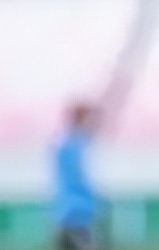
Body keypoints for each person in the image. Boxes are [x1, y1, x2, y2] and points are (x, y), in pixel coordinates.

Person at [51, 102, 103, 250]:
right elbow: (77, 177)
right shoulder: (73, 146)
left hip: (70, 214)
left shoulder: (68, 143)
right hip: (75, 214)